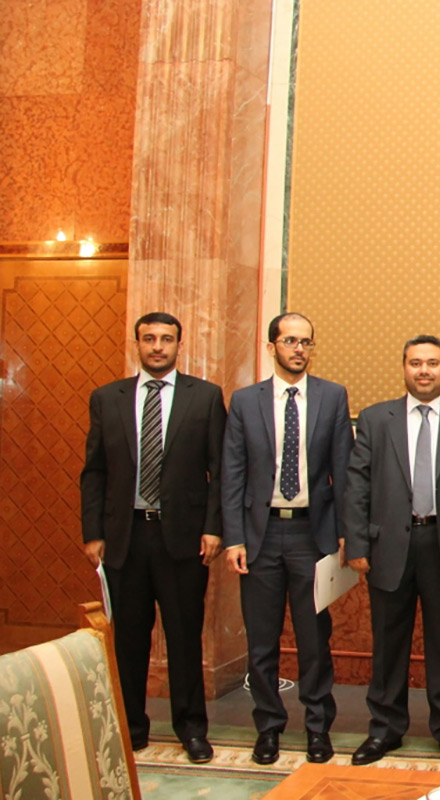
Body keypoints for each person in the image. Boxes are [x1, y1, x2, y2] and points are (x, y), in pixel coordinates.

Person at [343, 335, 440, 766]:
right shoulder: (376, 418)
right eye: (415, 363)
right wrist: (357, 543)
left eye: (432, 363)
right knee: (387, 644)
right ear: (404, 368)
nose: (424, 371)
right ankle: (384, 730)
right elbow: (356, 486)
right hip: (388, 546)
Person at [80, 311, 225, 764]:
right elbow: (94, 472)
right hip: (124, 538)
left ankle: (192, 729)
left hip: (183, 539)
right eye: (149, 338)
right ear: (137, 343)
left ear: (179, 345)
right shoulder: (108, 398)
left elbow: (220, 471)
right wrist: (93, 533)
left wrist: (214, 527)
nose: (157, 346)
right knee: (128, 641)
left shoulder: (205, 397)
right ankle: (131, 728)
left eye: (166, 339)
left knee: (184, 637)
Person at [221, 312, 352, 765]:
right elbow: (232, 473)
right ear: (271, 346)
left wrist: (346, 535)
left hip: (312, 536)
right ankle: (268, 728)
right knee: (262, 643)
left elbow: (344, 472)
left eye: (306, 342)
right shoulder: (245, 401)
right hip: (259, 536)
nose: (299, 349)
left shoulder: (332, 397)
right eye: (290, 341)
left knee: (315, 641)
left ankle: (317, 728)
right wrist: (233, 537)